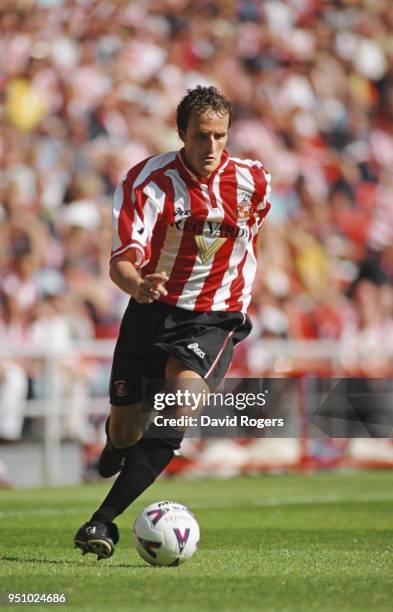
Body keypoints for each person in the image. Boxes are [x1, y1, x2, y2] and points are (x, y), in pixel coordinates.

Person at [74, 85, 271, 559]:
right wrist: (137, 284)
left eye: (220, 136)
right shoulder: (148, 181)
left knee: (176, 411)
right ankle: (117, 443)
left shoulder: (254, 181)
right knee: (125, 428)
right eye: (201, 136)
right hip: (152, 307)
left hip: (214, 317)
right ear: (181, 133)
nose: (212, 147)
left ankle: (101, 522)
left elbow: (256, 233)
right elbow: (121, 260)